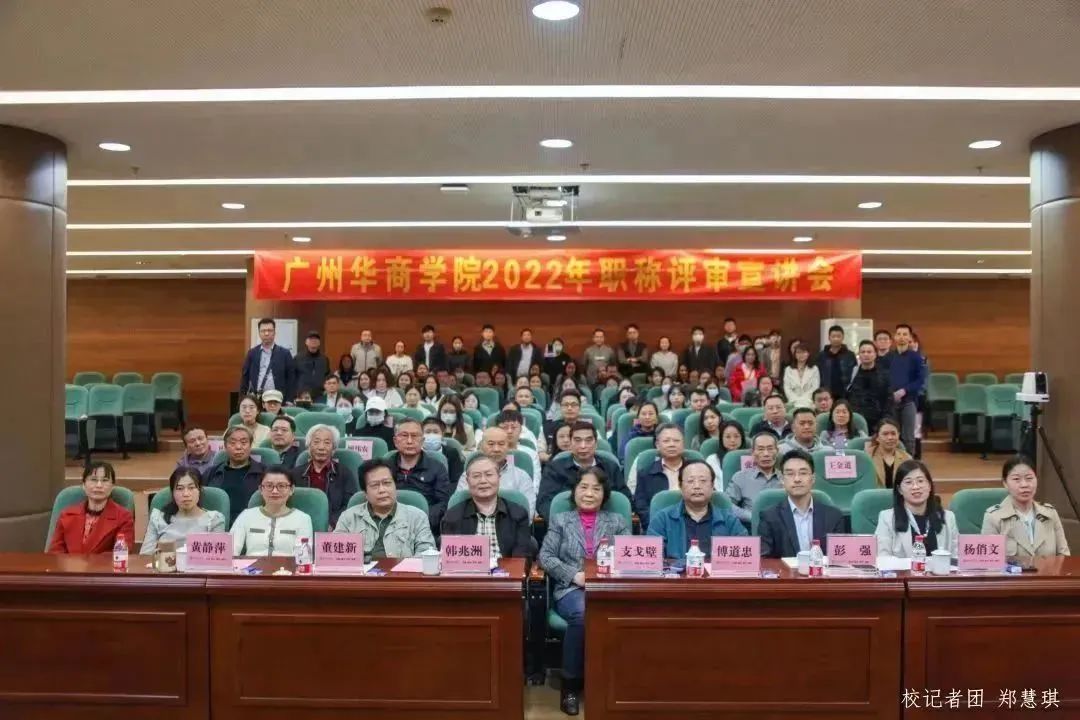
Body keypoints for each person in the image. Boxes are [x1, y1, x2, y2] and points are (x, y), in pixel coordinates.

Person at [538, 467, 630, 715]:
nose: (589, 493)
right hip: (571, 588)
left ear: (604, 495)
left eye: (596, 489)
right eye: (584, 487)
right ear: (574, 491)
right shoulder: (561, 520)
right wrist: (574, 576)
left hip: (609, 588)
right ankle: (571, 684)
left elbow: (627, 556)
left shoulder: (618, 522)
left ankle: (618, 681)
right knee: (582, 613)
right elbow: (546, 557)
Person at [334, 458, 436, 560]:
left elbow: (427, 555)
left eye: (387, 483)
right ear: (365, 493)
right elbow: (335, 556)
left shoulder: (417, 517)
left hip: (404, 570)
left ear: (395, 486)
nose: (382, 490)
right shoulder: (348, 518)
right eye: (374, 485)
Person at [647, 460, 746, 559]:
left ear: (712, 486)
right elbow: (652, 559)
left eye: (703, 481)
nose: (697, 486)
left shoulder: (729, 520)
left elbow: (745, 556)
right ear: (680, 486)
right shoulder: (662, 520)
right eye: (690, 481)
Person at [982, 455, 1071, 564]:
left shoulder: (1050, 514)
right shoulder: (993, 518)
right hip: (1011, 575)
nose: (1024, 485)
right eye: (1016, 479)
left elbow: (1064, 556)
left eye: (1029, 478)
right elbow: (988, 564)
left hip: (1048, 574)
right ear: (1005, 483)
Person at [443, 454, 535, 559]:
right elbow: (452, 559)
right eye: (476, 476)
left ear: (499, 478)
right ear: (468, 482)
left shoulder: (518, 514)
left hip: (506, 569)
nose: (483, 481)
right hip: (468, 569)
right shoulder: (453, 516)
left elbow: (521, 557)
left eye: (489, 475)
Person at [759, 449, 845, 558]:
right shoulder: (769, 517)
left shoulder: (833, 516)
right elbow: (765, 560)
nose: (797, 479)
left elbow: (839, 558)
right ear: (782, 479)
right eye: (790, 474)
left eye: (803, 473)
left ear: (813, 478)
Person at [538, 421, 629, 520]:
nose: (583, 446)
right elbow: (544, 504)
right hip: (565, 525)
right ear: (570, 443)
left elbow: (624, 499)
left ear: (596, 444)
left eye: (588, 440)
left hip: (607, 523)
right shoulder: (554, 469)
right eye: (577, 440)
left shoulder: (611, 467)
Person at [876, 460, 959, 558]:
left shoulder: (948, 518)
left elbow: (957, 557)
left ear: (929, 486)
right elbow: (882, 557)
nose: (915, 487)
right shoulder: (887, 519)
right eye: (908, 482)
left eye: (920, 481)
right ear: (899, 489)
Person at [48, 462, 134, 554]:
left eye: (105, 480)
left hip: (104, 564)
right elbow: (55, 553)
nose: (99, 485)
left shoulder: (124, 517)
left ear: (112, 486)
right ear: (84, 485)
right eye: (93, 480)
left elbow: (121, 554)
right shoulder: (66, 515)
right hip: (67, 564)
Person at [231, 466, 313, 557]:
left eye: (281, 486)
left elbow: (303, 557)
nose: (274, 491)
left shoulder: (303, 519)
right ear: (261, 489)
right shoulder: (246, 516)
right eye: (269, 486)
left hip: (288, 566)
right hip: (251, 566)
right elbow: (230, 551)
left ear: (291, 490)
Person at [142, 468, 227, 554]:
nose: (186, 494)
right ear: (172, 493)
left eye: (191, 488)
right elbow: (144, 556)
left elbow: (218, 557)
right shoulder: (158, 518)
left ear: (200, 490)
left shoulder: (214, 520)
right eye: (180, 488)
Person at [455, 427, 537, 516]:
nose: (496, 449)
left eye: (501, 444)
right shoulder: (469, 475)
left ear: (508, 447)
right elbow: (458, 507)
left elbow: (528, 512)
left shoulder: (522, 476)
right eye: (491, 444)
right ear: (481, 447)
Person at [389, 418, 451, 530]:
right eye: (404, 435)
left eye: (414, 436)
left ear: (422, 441)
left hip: (425, 526)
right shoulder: (384, 467)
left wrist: (420, 522)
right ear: (395, 441)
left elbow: (443, 504)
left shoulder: (437, 468)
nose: (409, 441)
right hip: (390, 525)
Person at [292, 424, 359, 527]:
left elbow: (350, 505)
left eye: (327, 443)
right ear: (308, 447)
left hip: (335, 527)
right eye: (316, 442)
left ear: (334, 449)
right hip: (300, 526)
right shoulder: (295, 474)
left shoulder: (345, 474)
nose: (321, 447)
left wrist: (332, 523)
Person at [205, 426, 267, 526]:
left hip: (253, 526)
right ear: (225, 446)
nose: (238, 447)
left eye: (244, 442)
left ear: (250, 445)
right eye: (232, 443)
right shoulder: (211, 472)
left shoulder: (265, 473)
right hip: (216, 526)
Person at [631, 423, 688, 528]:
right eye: (666, 441)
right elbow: (641, 507)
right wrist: (656, 526)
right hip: (658, 527)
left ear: (683, 443)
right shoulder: (646, 473)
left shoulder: (697, 471)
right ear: (657, 445)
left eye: (676, 441)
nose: (672, 444)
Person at [886, 324, 927, 457]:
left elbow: (920, 380)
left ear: (910, 338)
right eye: (899, 334)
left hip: (909, 401)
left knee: (908, 436)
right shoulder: (888, 357)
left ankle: (909, 462)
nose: (902, 337)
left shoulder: (916, 357)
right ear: (894, 337)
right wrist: (891, 393)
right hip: (891, 402)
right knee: (892, 434)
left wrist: (905, 390)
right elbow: (883, 378)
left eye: (905, 334)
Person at [724, 430, 782, 524]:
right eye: (760, 449)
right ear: (752, 452)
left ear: (777, 451)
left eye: (770, 448)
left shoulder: (787, 478)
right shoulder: (741, 477)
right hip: (750, 527)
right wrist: (751, 516)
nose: (766, 454)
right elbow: (727, 504)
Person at [240, 317, 296, 401]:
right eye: (263, 331)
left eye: (269, 330)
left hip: (278, 399)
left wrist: (289, 400)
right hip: (257, 399)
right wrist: (242, 399)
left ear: (274, 333)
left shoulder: (285, 354)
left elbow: (291, 379)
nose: (266, 333)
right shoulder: (252, 353)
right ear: (259, 333)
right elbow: (245, 377)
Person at [848, 340, 892, 433]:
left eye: (869, 352)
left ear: (875, 354)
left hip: (878, 421)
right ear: (859, 355)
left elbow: (889, 400)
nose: (866, 354)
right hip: (856, 420)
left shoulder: (884, 375)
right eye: (863, 352)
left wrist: (885, 421)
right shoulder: (852, 373)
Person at [495, 409, 543, 493]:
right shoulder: (490, 452)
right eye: (505, 427)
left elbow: (536, 481)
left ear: (521, 429)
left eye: (513, 427)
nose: (509, 431)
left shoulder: (530, 453)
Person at [866, 418, 912, 488]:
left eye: (893, 434)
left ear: (898, 435)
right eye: (885, 434)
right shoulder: (867, 456)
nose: (890, 437)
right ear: (877, 437)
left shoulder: (907, 458)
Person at [816, 325, 856, 401]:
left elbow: (854, 374)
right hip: (826, 393)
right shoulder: (822, 355)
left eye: (838, 336)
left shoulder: (850, 355)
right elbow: (818, 375)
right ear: (829, 338)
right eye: (833, 336)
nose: (836, 339)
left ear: (843, 337)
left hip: (845, 393)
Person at [705, 420, 747, 489]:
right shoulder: (712, 460)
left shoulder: (749, 458)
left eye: (736, 436)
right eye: (728, 437)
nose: (732, 440)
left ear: (742, 438)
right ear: (721, 439)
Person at [783, 342, 819, 409]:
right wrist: (796, 400)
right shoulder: (788, 369)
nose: (801, 355)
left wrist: (803, 400)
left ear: (808, 354)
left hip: (809, 402)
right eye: (798, 352)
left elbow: (815, 387)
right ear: (795, 355)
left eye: (804, 352)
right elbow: (787, 388)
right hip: (793, 402)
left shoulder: (814, 369)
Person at [294, 330, 330, 396]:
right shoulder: (298, 358)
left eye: (316, 339)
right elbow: (292, 377)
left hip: (320, 395)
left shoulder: (324, 359)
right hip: (302, 396)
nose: (313, 341)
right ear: (306, 342)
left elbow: (327, 377)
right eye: (311, 339)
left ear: (319, 343)